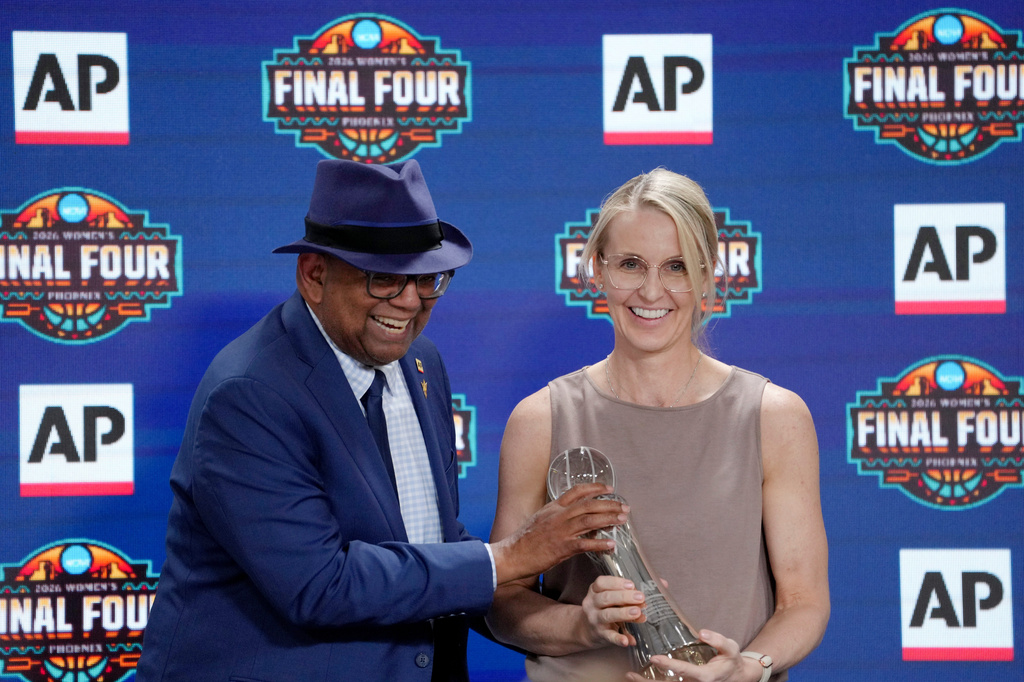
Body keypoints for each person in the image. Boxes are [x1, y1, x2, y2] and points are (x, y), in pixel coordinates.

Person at [136, 159, 627, 682]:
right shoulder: (250, 395)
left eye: (428, 278)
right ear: (314, 276)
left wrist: (580, 624)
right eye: (385, 278)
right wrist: (509, 557)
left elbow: (429, 543)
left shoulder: (421, 364)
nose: (411, 301)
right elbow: (320, 585)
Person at [486, 168, 829, 682]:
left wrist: (748, 668)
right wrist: (583, 624)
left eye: (676, 267)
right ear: (598, 269)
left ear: (707, 275)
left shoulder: (773, 417)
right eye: (630, 264)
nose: (651, 290)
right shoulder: (540, 420)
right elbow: (501, 603)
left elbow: (803, 602)